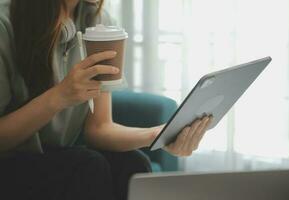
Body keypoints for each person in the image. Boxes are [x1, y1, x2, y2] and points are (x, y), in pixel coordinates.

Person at [0, 0, 213, 199]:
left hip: (58, 156)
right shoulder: (5, 23)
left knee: (131, 164)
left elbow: (99, 128)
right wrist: (59, 96)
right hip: (10, 160)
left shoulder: (98, 24)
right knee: (88, 166)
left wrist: (157, 135)